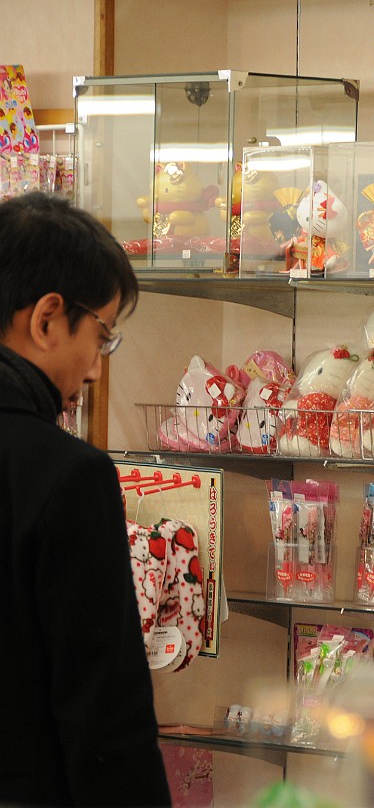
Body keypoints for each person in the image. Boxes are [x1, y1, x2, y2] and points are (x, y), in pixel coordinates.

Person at [0, 192, 171, 806]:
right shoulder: (66, 476)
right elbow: (105, 720)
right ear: (47, 319)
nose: (97, 369)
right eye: (102, 336)